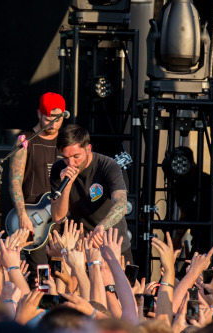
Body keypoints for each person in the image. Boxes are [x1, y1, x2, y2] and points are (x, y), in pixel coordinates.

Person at [49, 124, 133, 263]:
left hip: (112, 243)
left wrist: (101, 227)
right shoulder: (58, 170)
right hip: (82, 246)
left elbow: (121, 204)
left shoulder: (107, 165)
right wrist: (67, 185)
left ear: (88, 149)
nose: (71, 163)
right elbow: (58, 217)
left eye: (76, 156)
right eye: (65, 158)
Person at [8, 92, 66, 278]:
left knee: (62, 275)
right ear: (39, 114)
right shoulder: (25, 140)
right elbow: (15, 181)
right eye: (49, 119)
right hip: (35, 218)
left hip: (61, 218)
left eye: (58, 119)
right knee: (40, 275)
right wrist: (22, 215)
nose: (54, 124)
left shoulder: (67, 143)